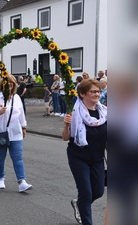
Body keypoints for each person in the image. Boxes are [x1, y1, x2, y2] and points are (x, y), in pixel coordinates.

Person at [62, 79, 107, 225]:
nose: (97, 94)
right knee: (86, 193)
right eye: (93, 91)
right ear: (82, 94)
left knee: (98, 191)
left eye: (98, 91)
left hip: (98, 159)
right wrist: (67, 126)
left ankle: (78, 203)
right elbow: (65, 137)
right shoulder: (75, 112)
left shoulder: (105, 113)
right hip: (78, 157)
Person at [0, 75, 33, 192]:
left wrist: (24, 127)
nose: (9, 84)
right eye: (6, 82)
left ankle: (22, 182)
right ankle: (0, 178)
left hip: (15, 132)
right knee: (0, 157)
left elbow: (21, 114)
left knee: (18, 157)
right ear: (2, 85)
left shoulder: (17, 98)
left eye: (11, 82)